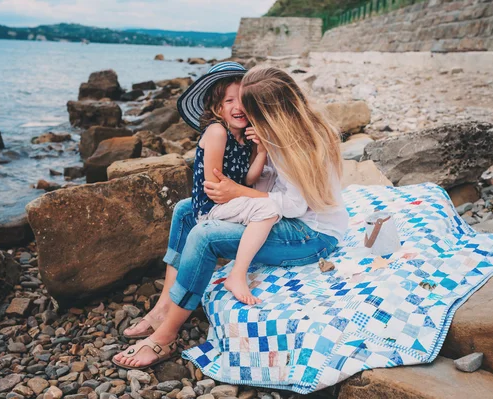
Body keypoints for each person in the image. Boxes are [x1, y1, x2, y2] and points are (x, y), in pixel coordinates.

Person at [113, 66, 349, 370]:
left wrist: (239, 191)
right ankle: (163, 307)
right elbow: (268, 184)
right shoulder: (274, 133)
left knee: (205, 236)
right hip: (291, 217)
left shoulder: (294, 142)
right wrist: (254, 166)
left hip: (312, 235)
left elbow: (292, 206)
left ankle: (166, 335)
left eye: (250, 107)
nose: (242, 111)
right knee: (187, 210)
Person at [188, 62, 281, 305]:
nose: (238, 106)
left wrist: (261, 151)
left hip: (230, 201)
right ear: (216, 107)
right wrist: (248, 195)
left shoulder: (246, 136)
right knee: (269, 208)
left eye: (242, 100)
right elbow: (215, 186)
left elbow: (248, 179)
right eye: (229, 101)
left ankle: (239, 268)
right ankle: (237, 275)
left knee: (267, 208)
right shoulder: (217, 132)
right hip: (211, 208)